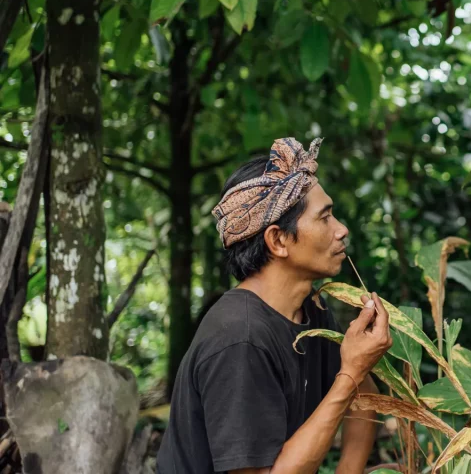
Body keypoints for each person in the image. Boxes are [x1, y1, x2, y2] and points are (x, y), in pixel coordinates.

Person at [157, 137, 392, 474]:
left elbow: (363, 398)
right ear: (278, 240)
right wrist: (350, 371)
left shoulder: (312, 309)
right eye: (325, 217)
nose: (342, 230)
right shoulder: (240, 338)